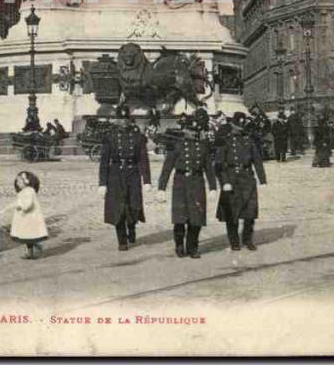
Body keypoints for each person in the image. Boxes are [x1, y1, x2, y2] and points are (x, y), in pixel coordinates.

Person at [157, 114, 217, 258]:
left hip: (197, 182)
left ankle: (193, 247)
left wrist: (213, 187)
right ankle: (179, 245)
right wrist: (161, 188)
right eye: (191, 130)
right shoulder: (177, 145)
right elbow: (167, 167)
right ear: (185, 130)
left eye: (196, 131)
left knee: (196, 217)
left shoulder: (203, 146)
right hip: (180, 182)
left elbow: (209, 168)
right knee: (180, 217)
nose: (194, 133)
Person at [99, 103, 151, 251]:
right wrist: (102, 183)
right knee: (118, 207)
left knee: (133, 205)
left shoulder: (138, 137)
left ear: (129, 120)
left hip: (132, 173)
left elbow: (143, 159)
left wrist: (146, 180)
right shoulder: (110, 136)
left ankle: (132, 226)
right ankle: (122, 240)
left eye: (125, 119)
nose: (123, 122)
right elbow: (104, 161)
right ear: (117, 120)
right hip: (115, 174)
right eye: (120, 119)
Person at [215, 111, 267, 251]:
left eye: (241, 127)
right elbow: (219, 164)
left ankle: (247, 239)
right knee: (232, 213)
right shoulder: (226, 141)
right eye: (238, 126)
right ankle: (234, 241)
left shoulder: (249, 141)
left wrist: (262, 178)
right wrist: (224, 181)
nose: (239, 130)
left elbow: (257, 160)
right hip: (231, 179)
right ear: (232, 126)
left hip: (247, 179)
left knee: (250, 213)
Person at [10, 171, 48, 260]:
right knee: (27, 235)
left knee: (29, 235)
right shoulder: (24, 192)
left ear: (26, 182)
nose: (17, 184)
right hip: (25, 216)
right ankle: (30, 251)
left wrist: (20, 206)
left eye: (19, 182)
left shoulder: (29, 191)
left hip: (30, 217)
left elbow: (27, 205)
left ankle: (33, 249)